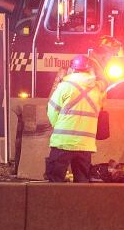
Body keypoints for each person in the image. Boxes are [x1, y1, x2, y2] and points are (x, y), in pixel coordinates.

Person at [45, 54, 107, 183]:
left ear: (72, 69)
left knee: (54, 181)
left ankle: (57, 203)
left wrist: (58, 126)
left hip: (63, 142)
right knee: (81, 182)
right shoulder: (96, 89)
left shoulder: (65, 86)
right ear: (89, 70)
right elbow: (105, 85)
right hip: (85, 144)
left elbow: (51, 110)